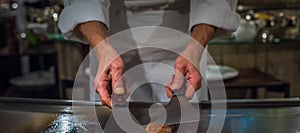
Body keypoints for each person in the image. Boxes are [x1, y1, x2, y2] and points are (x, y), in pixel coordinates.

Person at [58, 0, 240, 107]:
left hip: (184, 38)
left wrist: (195, 49)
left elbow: (213, 3)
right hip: (110, 36)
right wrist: (102, 49)